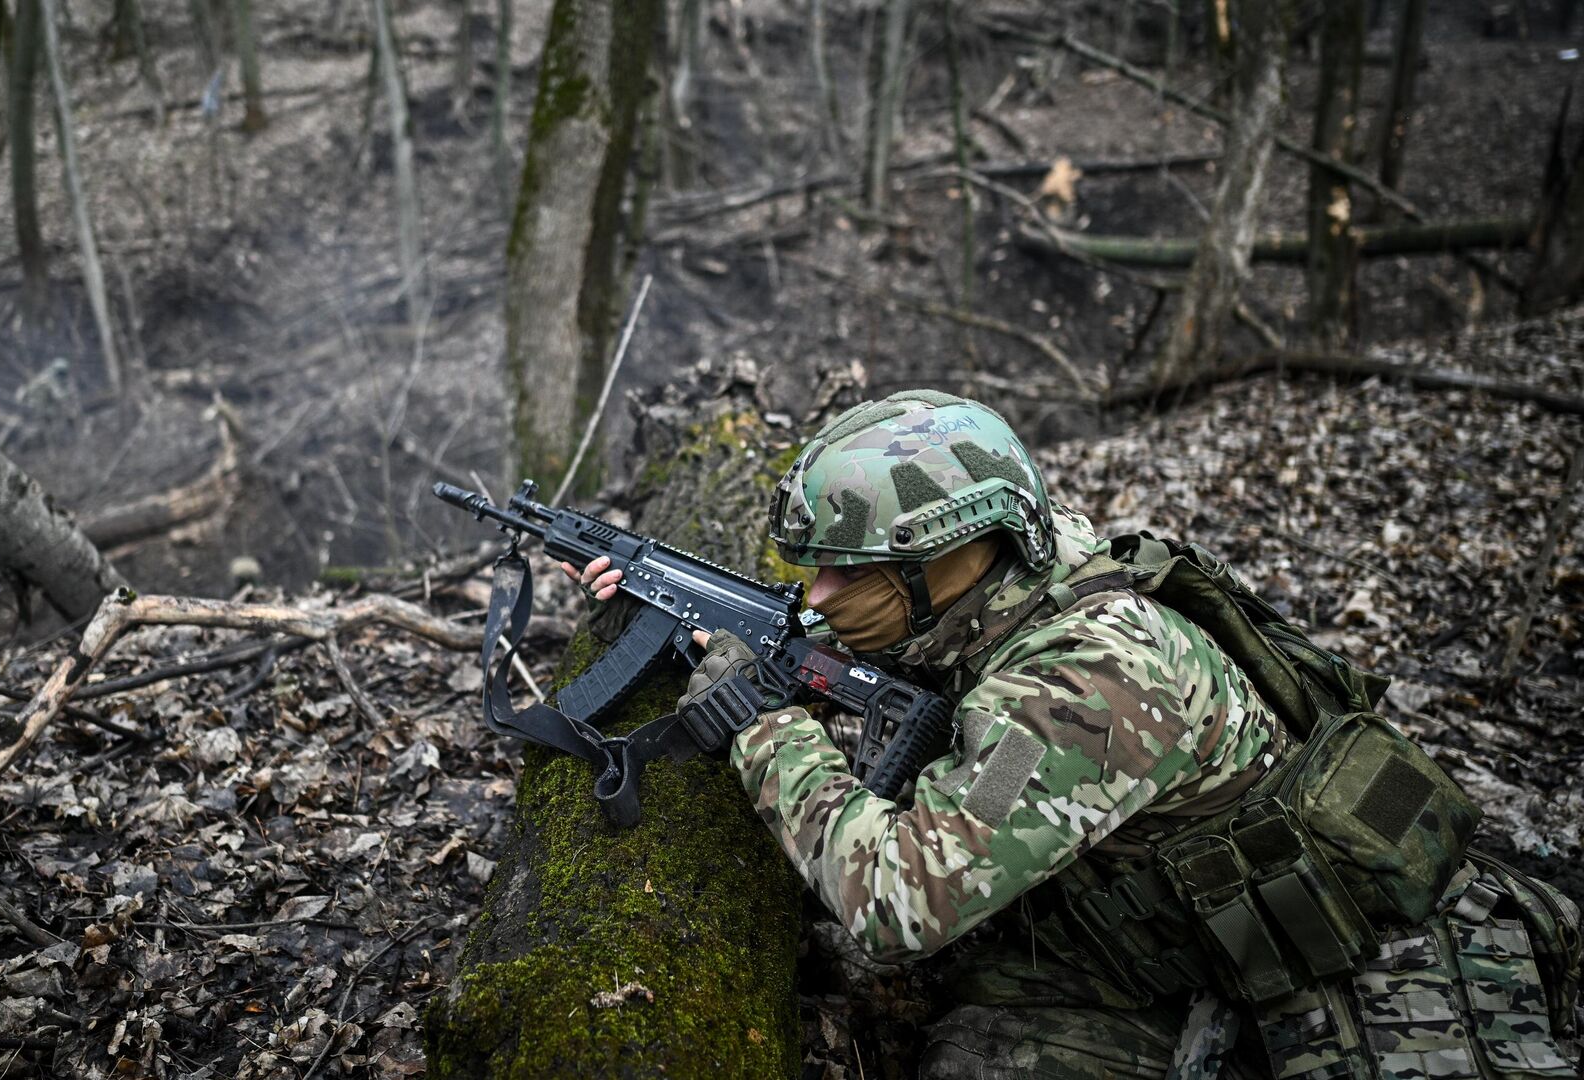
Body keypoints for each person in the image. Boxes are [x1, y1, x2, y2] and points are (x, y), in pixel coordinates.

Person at [564, 390, 1581, 1080]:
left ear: (950, 561)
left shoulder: (1086, 681)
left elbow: (895, 905)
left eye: (847, 573)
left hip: (1335, 952)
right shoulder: (1019, 569)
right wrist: (680, 608)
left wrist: (767, 725)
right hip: (1133, 935)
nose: (815, 595)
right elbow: (878, 658)